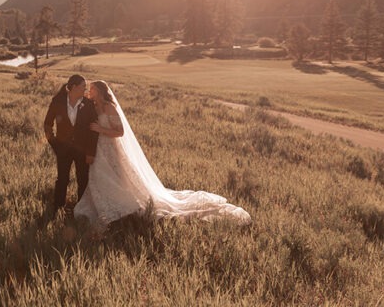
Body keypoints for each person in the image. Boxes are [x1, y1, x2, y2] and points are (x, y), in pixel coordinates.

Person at [74, 80, 251, 230]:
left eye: (92, 89)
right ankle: (102, 206)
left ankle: (121, 207)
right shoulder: (92, 106)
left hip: (111, 149)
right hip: (98, 149)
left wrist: (101, 129)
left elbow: (120, 132)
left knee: (118, 177)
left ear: (99, 91)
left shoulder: (109, 107)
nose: (89, 91)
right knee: (99, 176)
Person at [44, 75, 99, 211]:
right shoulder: (58, 101)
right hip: (62, 149)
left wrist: (91, 152)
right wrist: (54, 144)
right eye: (83, 86)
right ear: (74, 87)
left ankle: (82, 209)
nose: (85, 90)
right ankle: (58, 207)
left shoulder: (88, 104)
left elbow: (94, 130)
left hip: (83, 150)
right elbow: (47, 123)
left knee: (83, 179)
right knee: (62, 179)